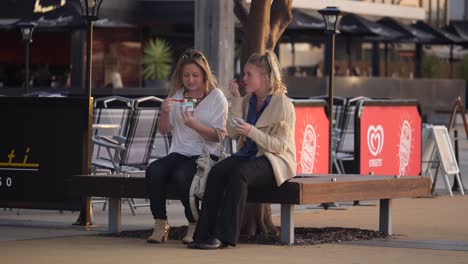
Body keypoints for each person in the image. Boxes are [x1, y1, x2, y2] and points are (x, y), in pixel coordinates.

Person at [189, 50, 296, 249]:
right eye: (244, 74)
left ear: (265, 77)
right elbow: (231, 132)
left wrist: (252, 131)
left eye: (249, 74)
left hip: (274, 160)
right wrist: (236, 100)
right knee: (218, 171)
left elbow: (281, 146)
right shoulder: (248, 100)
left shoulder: (283, 104)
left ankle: (224, 236)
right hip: (249, 156)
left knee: (239, 174)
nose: (244, 78)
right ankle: (203, 234)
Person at [145, 49, 228, 244]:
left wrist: (195, 125)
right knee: (154, 171)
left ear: (205, 75)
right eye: (186, 75)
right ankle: (160, 222)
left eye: (195, 75)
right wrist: (164, 113)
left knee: (182, 175)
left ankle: (194, 222)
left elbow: (219, 136)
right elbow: (164, 130)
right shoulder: (177, 95)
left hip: (206, 154)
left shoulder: (216, 97)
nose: (190, 80)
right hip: (180, 151)